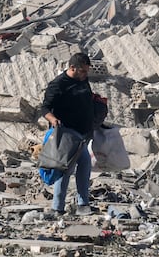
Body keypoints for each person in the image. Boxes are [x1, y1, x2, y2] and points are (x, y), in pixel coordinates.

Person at [41, 52, 96, 216]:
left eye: (87, 71)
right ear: (73, 68)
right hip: (66, 134)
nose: (86, 75)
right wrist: (53, 119)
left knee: (85, 164)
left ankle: (83, 204)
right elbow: (44, 108)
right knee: (65, 169)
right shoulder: (58, 84)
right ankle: (57, 207)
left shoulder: (83, 80)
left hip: (81, 134)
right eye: (83, 71)